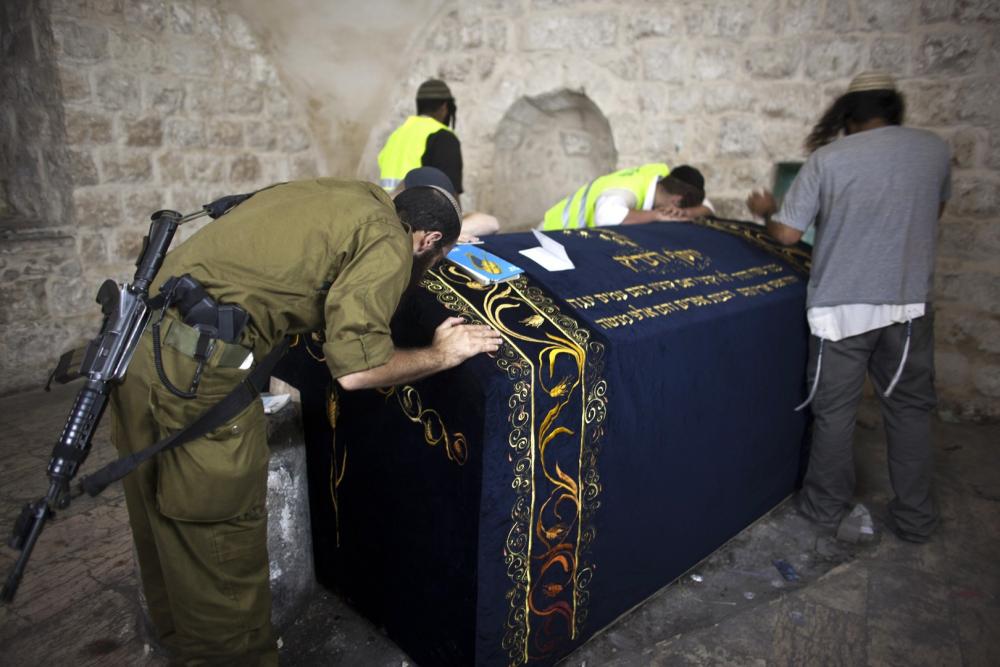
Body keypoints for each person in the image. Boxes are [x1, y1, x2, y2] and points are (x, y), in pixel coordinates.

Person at [110, 176, 503, 664]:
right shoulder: (389, 239)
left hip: (132, 349)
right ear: (427, 239)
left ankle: (177, 643)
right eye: (437, 257)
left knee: (162, 520)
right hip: (192, 378)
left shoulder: (339, 192)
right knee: (220, 554)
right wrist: (442, 354)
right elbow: (358, 371)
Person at [745, 71, 950, 544]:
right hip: (908, 307)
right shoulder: (933, 150)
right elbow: (931, 214)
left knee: (835, 413)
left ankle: (824, 508)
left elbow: (787, 234)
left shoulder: (830, 159)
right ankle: (917, 520)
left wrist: (767, 209)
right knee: (910, 411)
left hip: (841, 309)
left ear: (847, 116)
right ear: (894, 108)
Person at [378, 78, 499, 240]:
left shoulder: (396, 135)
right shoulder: (442, 137)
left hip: (390, 220)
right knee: (490, 223)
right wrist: (455, 231)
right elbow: (450, 195)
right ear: (444, 107)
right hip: (421, 223)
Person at [540, 163, 713, 231]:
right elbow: (606, 217)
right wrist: (657, 215)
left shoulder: (662, 176)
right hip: (554, 234)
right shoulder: (628, 191)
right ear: (676, 200)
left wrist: (686, 213)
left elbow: (708, 206)